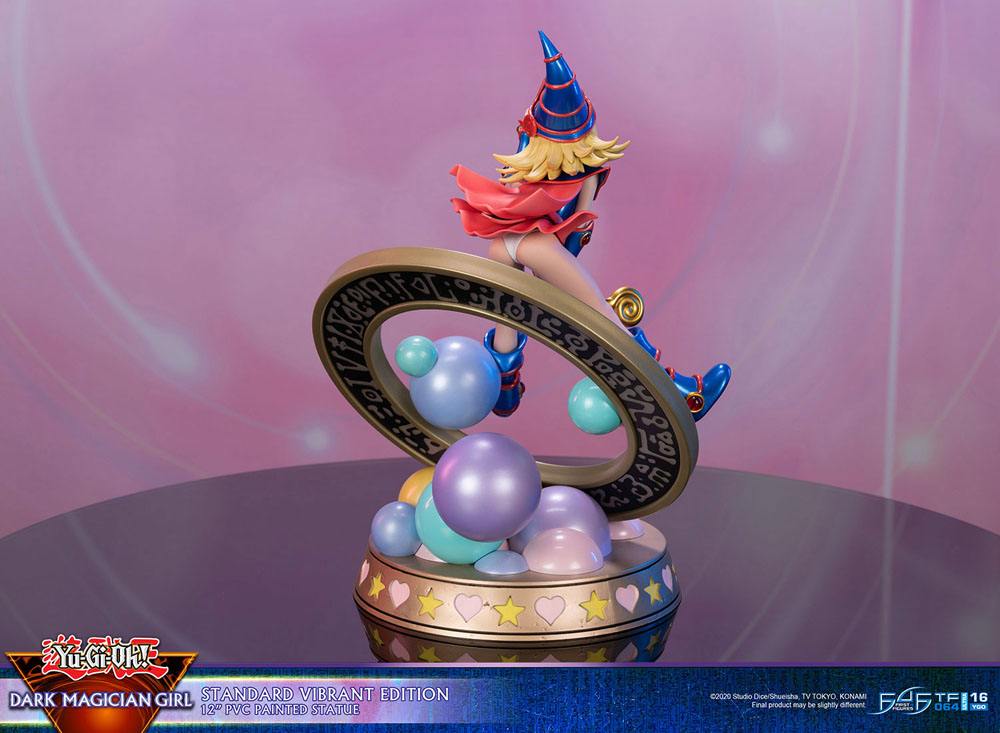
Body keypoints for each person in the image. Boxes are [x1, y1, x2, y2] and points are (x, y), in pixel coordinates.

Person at [451, 31, 731, 420]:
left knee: (507, 314)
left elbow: (516, 198)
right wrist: (563, 273)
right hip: (539, 246)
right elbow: (578, 231)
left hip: (502, 244)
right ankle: (680, 395)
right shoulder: (586, 171)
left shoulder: (527, 151)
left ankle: (503, 392)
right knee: (601, 316)